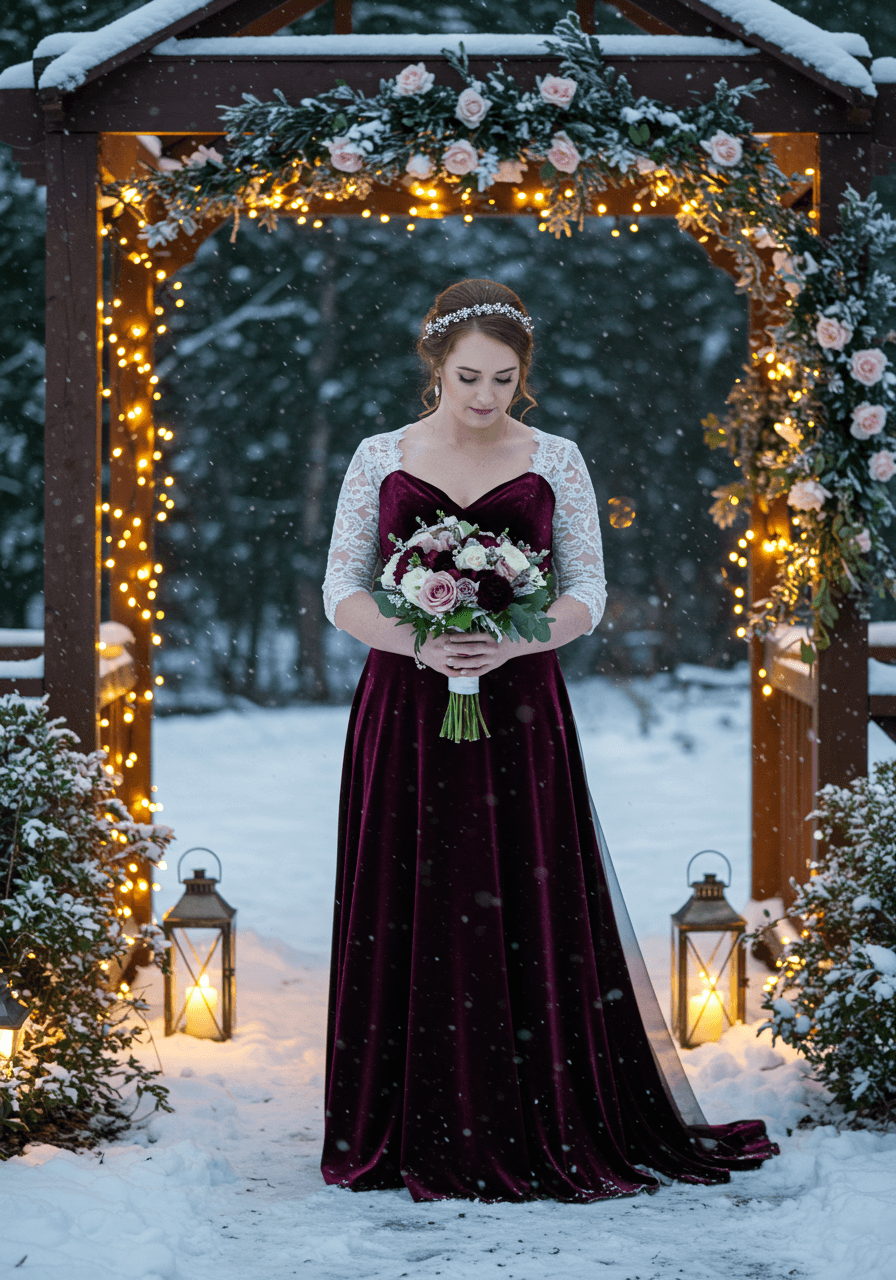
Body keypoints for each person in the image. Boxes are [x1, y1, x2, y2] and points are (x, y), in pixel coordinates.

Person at [320, 277, 778, 1203]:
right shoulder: (379, 456)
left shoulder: (557, 459)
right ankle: (403, 1122)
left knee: (521, 892)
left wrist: (511, 641)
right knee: (411, 890)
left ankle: (539, 1110)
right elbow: (342, 588)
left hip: (519, 710)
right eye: (469, 377)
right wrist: (418, 640)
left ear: (523, 374)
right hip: (404, 711)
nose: (486, 396)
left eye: (503, 378)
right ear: (436, 366)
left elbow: (587, 590)